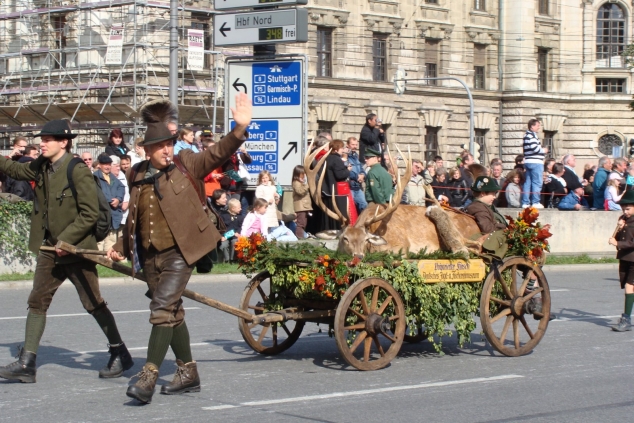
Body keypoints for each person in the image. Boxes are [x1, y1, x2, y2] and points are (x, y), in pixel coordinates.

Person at [107, 93, 252, 404]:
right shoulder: (136, 173)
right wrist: (121, 244)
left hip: (181, 254)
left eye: (170, 143)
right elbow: (135, 216)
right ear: (146, 149)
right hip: (150, 256)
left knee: (160, 311)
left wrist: (239, 130)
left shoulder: (186, 163)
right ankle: (188, 373)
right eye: (160, 146)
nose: (167, 150)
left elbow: (215, 155)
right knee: (173, 312)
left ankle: (148, 376)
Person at [0, 120, 133, 383]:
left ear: (64, 142)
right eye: (42, 138)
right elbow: (16, 169)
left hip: (76, 249)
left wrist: (66, 240)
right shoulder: (42, 166)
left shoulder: (77, 170)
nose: (43, 142)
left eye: (49, 138)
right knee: (37, 300)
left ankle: (120, 352)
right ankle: (28, 363)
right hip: (50, 248)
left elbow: (90, 213)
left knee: (93, 303)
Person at [609, 190, 634, 331]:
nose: (625, 211)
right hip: (625, 257)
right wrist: (619, 228)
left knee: (629, 286)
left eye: (628, 208)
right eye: (623, 208)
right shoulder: (623, 220)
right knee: (628, 285)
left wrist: (617, 244)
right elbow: (619, 236)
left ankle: (626, 319)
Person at [94, 154, 125, 251]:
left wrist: (118, 199)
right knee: (99, 240)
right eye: (105, 164)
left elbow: (121, 187)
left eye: (109, 164)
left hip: (113, 213)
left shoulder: (112, 177)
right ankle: (97, 259)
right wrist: (110, 200)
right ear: (99, 165)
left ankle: (109, 258)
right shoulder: (95, 177)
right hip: (101, 213)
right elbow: (97, 193)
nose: (107, 167)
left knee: (111, 238)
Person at [322, 139, 354, 228]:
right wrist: (347, 170)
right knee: (340, 213)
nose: (343, 149)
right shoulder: (337, 159)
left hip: (327, 190)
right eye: (341, 148)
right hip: (337, 191)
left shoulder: (327, 158)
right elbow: (340, 175)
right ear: (336, 149)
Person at [521, 118, 548, 208]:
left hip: (529, 161)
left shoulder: (527, 135)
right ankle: (535, 202)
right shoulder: (531, 136)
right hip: (535, 162)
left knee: (528, 182)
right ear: (532, 126)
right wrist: (543, 150)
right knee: (537, 182)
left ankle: (525, 202)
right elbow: (535, 149)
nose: (538, 128)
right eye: (537, 126)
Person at [346, 137, 367, 214]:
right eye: (352, 144)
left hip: (357, 187)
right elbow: (347, 169)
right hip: (350, 186)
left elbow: (361, 168)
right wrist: (357, 177)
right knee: (350, 209)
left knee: (364, 205)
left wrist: (363, 175)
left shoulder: (356, 156)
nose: (355, 146)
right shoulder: (345, 156)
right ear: (347, 145)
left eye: (356, 145)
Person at [219, 198, 244, 262]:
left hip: (235, 235)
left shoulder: (240, 217)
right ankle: (226, 260)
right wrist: (225, 235)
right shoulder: (223, 216)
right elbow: (222, 227)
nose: (241, 209)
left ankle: (233, 259)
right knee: (223, 244)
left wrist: (237, 233)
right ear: (233, 208)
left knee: (235, 242)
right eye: (239, 208)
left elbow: (241, 227)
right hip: (225, 235)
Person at [292, 165, 312, 239]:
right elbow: (300, 191)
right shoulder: (296, 183)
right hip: (301, 207)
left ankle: (302, 236)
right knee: (300, 224)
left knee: (304, 223)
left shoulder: (302, 183)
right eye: (303, 173)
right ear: (298, 174)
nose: (304, 175)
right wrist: (307, 185)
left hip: (304, 207)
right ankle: (299, 237)